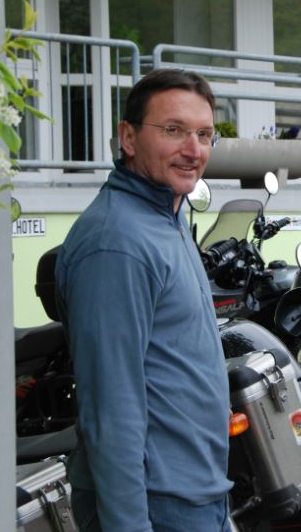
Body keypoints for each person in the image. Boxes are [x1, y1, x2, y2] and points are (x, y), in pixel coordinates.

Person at [56, 68, 231, 531]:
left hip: (194, 492)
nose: (193, 150)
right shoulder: (118, 242)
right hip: (155, 505)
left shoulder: (165, 216)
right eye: (173, 130)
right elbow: (110, 410)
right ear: (128, 138)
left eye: (204, 135)